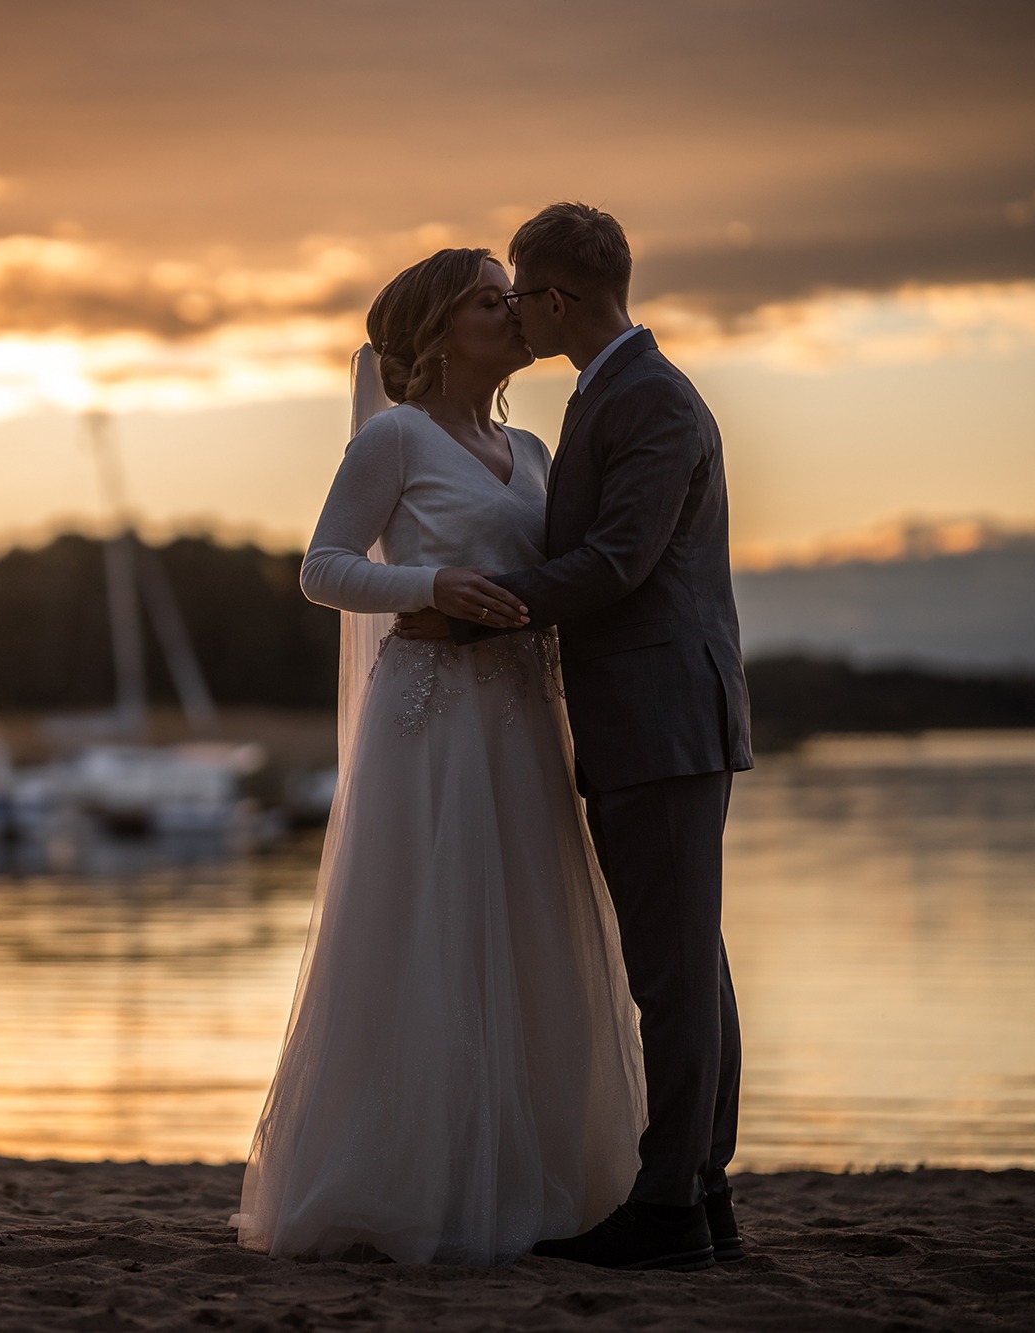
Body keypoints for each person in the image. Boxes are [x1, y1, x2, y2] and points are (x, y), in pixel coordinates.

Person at [232, 246, 647, 1267]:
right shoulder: (395, 439)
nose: (510, 313)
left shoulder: (536, 451)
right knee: (428, 934)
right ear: (433, 330)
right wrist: (426, 585)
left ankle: (534, 1178)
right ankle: (405, 1180)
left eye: (509, 298)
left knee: (526, 934)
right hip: (430, 719)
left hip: (520, 716)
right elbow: (322, 569)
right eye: (484, 301)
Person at [395, 202, 753, 1270]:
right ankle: (699, 1189)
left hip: (660, 718)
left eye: (519, 294)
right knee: (690, 962)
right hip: (645, 716)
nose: (513, 312)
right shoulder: (617, 393)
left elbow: (614, 563)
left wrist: (468, 607)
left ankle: (667, 1209)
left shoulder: (650, 401)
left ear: (556, 300)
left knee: (673, 973)